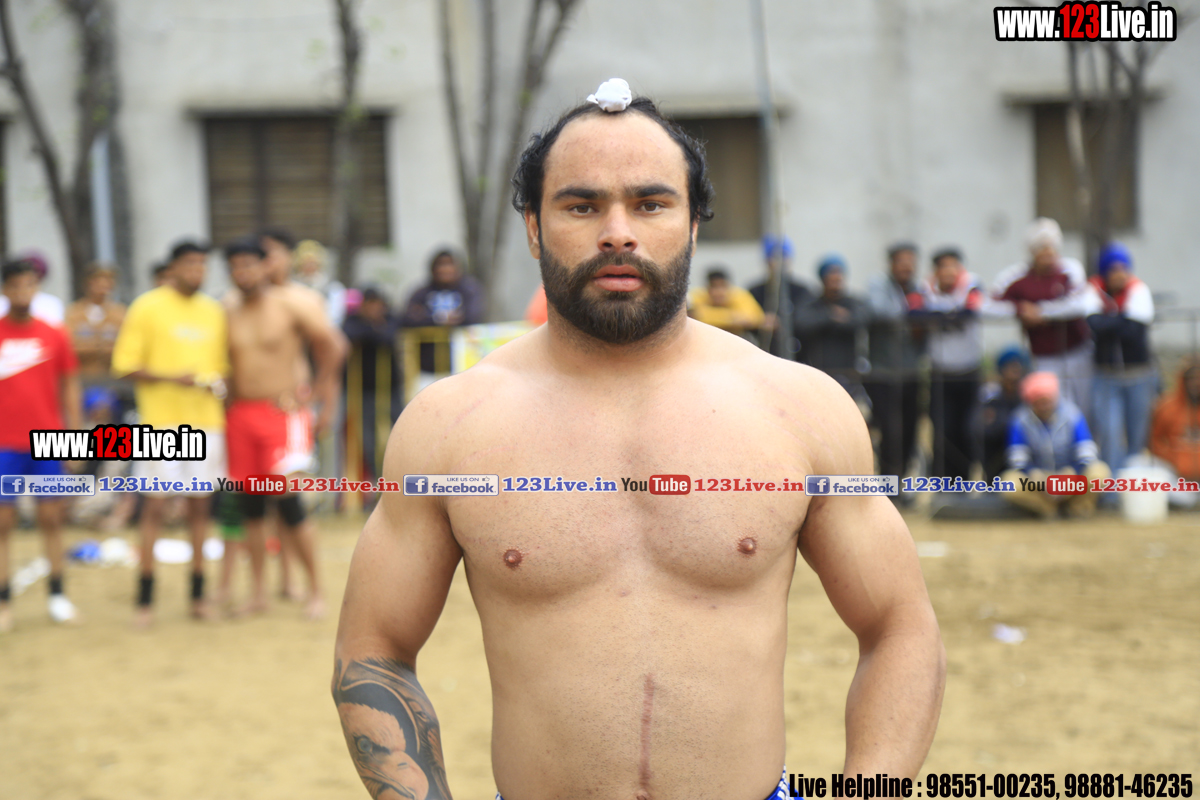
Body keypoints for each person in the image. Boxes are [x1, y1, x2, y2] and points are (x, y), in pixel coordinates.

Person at [334, 85, 945, 800]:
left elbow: (899, 627)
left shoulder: (800, 408)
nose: (618, 233)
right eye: (581, 206)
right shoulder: (450, 425)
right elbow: (374, 650)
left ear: (693, 226)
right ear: (533, 227)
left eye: (651, 204)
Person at [224, 237, 344, 619]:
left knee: (290, 501)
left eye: (249, 264)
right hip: (240, 414)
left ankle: (316, 591)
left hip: (281, 414)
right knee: (252, 507)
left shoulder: (291, 303)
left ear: (265, 266)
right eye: (236, 266)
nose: (243, 273)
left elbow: (334, 345)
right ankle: (258, 592)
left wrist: (318, 392)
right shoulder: (226, 308)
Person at [111, 240, 228, 627]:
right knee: (155, 508)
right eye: (190, 263)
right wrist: (173, 378)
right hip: (160, 425)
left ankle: (198, 595)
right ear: (173, 267)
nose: (197, 271)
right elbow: (125, 365)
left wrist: (218, 384)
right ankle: (145, 599)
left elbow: (222, 368)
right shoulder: (147, 306)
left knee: (200, 508)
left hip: (207, 424)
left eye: (203, 264)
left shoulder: (214, 311)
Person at [0, 259, 83, 632]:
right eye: (15, 286)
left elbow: (70, 385)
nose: (23, 293)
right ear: (5, 290)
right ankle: (4, 602)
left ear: (37, 288)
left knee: (51, 518)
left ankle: (58, 596)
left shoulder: (54, 334)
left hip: (48, 441)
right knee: (3, 523)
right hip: (4, 443)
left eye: (29, 285)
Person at [990, 218, 1096, 415]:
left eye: (1051, 247)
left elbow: (1080, 304)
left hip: (1077, 350)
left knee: (1085, 405)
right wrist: (1019, 309)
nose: (1047, 252)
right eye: (1041, 247)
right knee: (1054, 406)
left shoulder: (1070, 269)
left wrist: (1042, 313)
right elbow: (989, 304)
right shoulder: (1017, 276)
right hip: (1044, 355)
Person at [916, 247, 984, 481]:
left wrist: (938, 318)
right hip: (940, 373)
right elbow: (914, 313)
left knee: (969, 430)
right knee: (942, 431)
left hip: (969, 371)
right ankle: (943, 482)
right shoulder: (925, 288)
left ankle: (966, 481)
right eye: (943, 266)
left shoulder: (972, 285)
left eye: (952, 266)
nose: (948, 271)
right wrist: (949, 318)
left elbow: (970, 312)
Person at [1001, 371, 1110, 518]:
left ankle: (1078, 507)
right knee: (1008, 483)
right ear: (1030, 402)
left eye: (1047, 401)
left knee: (1100, 471)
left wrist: (1072, 472)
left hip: (1070, 476)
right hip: (1039, 479)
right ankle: (1047, 509)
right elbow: (1017, 458)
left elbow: (1087, 452)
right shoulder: (1019, 419)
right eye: (1039, 402)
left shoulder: (1072, 414)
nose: (1044, 406)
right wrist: (1033, 473)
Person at [1087, 242, 1156, 472]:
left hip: (1138, 375)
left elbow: (1134, 331)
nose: (1119, 274)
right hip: (1107, 376)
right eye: (1113, 269)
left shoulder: (1139, 290)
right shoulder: (1094, 290)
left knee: (1137, 432)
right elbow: (1094, 325)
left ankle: (1133, 479)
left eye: (1122, 269)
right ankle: (1112, 484)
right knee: (1110, 432)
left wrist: (1109, 319)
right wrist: (1123, 317)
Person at [865, 242, 924, 483]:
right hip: (883, 374)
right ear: (891, 264)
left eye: (911, 261)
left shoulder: (919, 288)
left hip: (911, 372)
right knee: (889, 431)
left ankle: (903, 479)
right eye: (901, 261)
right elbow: (879, 311)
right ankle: (888, 484)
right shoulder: (879, 285)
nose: (906, 266)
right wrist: (913, 312)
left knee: (911, 430)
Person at [342, 285, 403, 485]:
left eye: (378, 305)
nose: (374, 309)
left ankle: (399, 477)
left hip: (391, 388)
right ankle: (379, 481)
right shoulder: (352, 321)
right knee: (368, 439)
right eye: (369, 305)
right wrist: (374, 329)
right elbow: (350, 333)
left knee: (398, 433)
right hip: (362, 391)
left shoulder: (392, 319)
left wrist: (372, 333)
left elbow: (389, 336)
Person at [401, 249, 485, 382]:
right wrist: (439, 320)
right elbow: (408, 318)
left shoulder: (469, 289)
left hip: (463, 364)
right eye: (441, 264)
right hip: (428, 368)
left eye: (449, 264)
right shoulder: (421, 293)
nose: (445, 269)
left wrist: (429, 317)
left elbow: (473, 315)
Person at [795, 254, 869, 394]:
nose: (835, 281)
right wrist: (830, 316)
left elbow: (861, 320)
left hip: (848, 372)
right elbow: (802, 324)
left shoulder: (853, 303)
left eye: (838, 276)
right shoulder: (812, 304)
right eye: (831, 277)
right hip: (819, 370)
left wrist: (829, 321)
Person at [748, 235, 811, 358]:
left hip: (798, 355)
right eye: (774, 258)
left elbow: (807, 320)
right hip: (765, 354)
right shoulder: (755, 291)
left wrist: (782, 322)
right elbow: (747, 319)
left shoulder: (801, 291)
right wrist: (760, 321)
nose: (780, 262)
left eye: (784, 257)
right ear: (767, 261)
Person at [64, 264, 126, 387]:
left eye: (108, 280)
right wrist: (100, 345)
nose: (103, 285)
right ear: (87, 283)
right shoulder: (74, 312)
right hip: (83, 378)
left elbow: (126, 347)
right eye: (97, 280)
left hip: (113, 380)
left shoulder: (121, 313)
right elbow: (69, 346)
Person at [976, 346, 1030, 481]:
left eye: (1018, 368)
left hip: (1028, 463)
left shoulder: (1029, 399)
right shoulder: (989, 397)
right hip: (998, 459)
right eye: (1010, 367)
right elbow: (979, 428)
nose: (1014, 374)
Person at [1148, 360, 1200, 491]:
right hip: (1175, 477)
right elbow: (1154, 440)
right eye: (1192, 379)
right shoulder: (1167, 407)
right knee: (1138, 464)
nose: (1196, 383)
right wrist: (1173, 458)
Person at [687, 266, 765, 336]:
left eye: (722, 286)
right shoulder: (697, 296)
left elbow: (755, 318)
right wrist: (732, 318)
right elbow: (692, 316)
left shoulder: (739, 295)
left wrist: (711, 317)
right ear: (707, 288)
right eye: (714, 287)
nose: (718, 292)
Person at [294, 239, 348, 329]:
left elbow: (335, 316)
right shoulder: (292, 286)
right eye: (305, 263)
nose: (309, 266)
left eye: (312, 263)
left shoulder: (332, 287)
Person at [0, 252, 65, 326]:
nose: (22, 291)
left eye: (29, 285)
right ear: (4, 288)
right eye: (15, 286)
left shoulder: (52, 305)